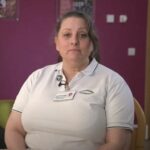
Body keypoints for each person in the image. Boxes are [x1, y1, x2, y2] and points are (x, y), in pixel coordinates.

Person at [5, 10, 134, 150]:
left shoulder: (114, 83)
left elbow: (118, 144)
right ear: (57, 43)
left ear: (92, 44)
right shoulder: (36, 77)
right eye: (67, 35)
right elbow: (14, 130)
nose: (74, 41)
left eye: (82, 35)